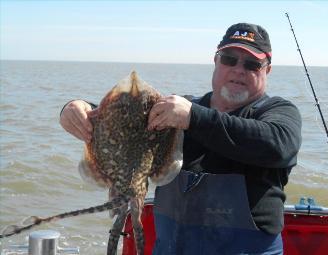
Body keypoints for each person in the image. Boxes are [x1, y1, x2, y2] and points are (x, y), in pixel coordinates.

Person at [60, 23, 302, 254]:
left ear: (267, 70)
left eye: (251, 64)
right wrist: (78, 109)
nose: (238, 69)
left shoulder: (276, 112)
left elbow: (279, 145)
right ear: (216, 61)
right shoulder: (180, 109)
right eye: (229, 59)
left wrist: (193, 118)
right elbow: (128, 118)